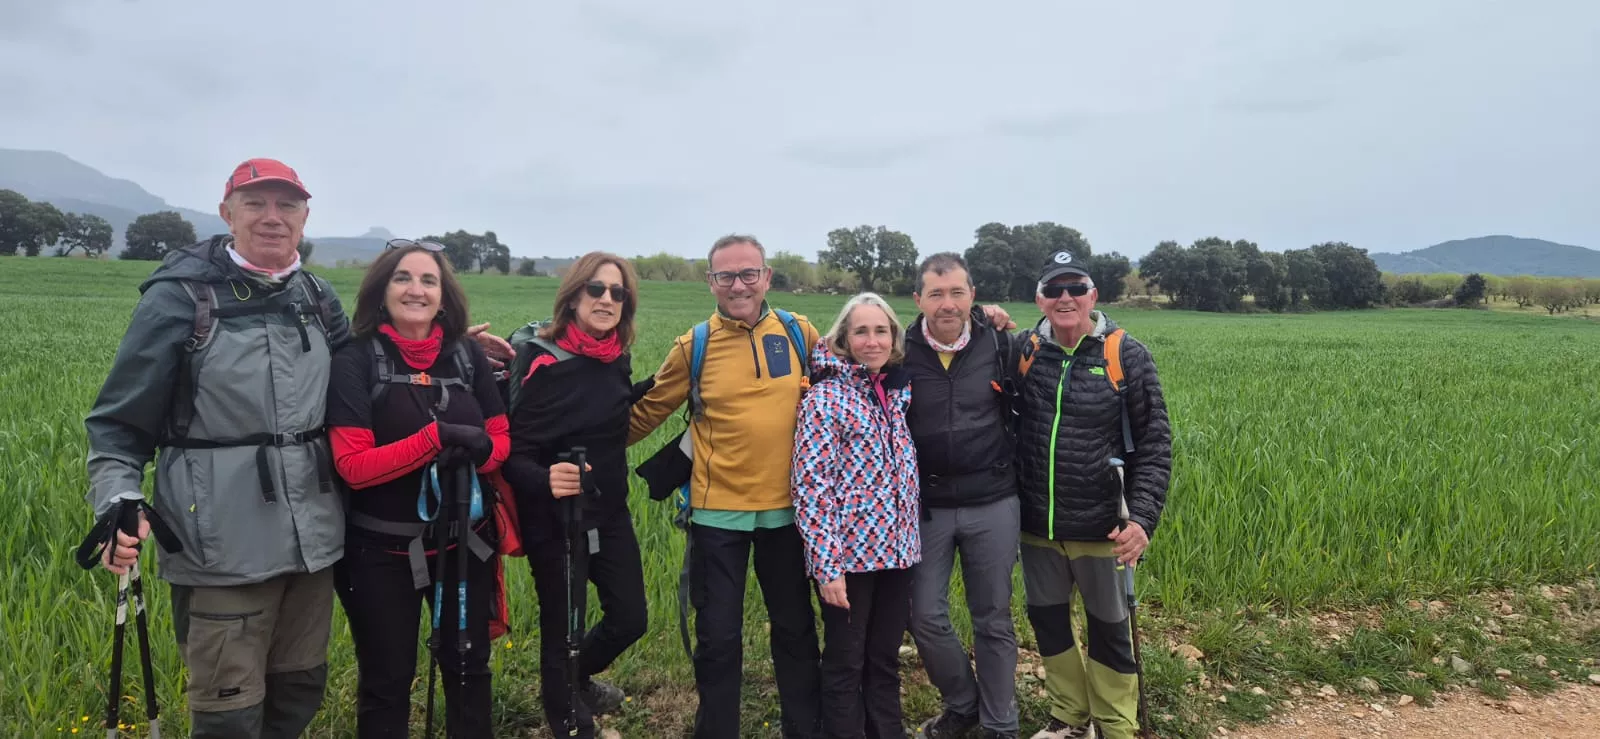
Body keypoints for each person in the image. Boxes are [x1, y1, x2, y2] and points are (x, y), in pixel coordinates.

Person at [84, 157, 513, 738]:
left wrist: (446, 345)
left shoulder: (313, 294)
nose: (271, 218)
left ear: (305, 216)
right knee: (228, 707)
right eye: (255, 203)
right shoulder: (180, 299)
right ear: (226, 212)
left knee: (298, 691)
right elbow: (117, 425)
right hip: (221, 541)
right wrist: (118, 501)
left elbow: (371, 359)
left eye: (286, 205)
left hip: (314, 542)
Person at [628, 234, 825, 739]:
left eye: (748, 274)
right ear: (709, 281)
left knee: (797, 630)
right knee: (717, 639)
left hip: (789, 514)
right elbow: (644, 414)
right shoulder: (693, 346)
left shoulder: (800, 332)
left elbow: (851, 377)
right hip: (717, 515)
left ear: (767, 278)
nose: (738, 285)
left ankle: (804, 728)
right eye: (726, 276)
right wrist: (571, 422)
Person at [324, 239, 511, 737]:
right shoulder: (354, 359)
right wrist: (434, 439)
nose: (416, 289)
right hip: (378, 550)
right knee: (387, 680)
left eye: (429, 280)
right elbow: (353, 465)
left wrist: (479, 451)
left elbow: (501, 439)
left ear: (444, 296)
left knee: (470, 670)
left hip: (463, 544)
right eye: (403, 278)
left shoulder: (467, 355)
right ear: (381, 290)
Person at [1011, 251, 1172, 739]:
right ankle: (1069, 719)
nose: (1066, 298)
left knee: (1109, 632)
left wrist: (1142, 518)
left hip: (1105, 525)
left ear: (1093, 296)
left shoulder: (1125, 354)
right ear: (1039, 299)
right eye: (1055, 290)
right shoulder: (1024, 351)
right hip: (1037, 524)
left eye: (1076, 288)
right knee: (1049, 625)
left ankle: (1117, 726)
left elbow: (1155, 443)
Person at [498, 251, 650, 739]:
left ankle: (575, 679)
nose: (607, 299)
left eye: (618, 293)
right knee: (562, 632)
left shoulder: (615, 359)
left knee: (630, 618)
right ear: (574, 294)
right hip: (554, 519)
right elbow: (512, 453)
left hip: (609, 512)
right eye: (597, 289)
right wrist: (545, 479)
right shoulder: (542, 361)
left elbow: (614, 413)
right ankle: (570, 722)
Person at [902, 253, 1023, 739]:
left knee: (992, 617)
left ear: (972, 295)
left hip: (993, 499)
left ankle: (1000, 723)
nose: (947, 303)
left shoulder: (1002, 343)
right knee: (922, 614)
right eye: (936, 293)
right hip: (926, 506)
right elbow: (842, 348)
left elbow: (1066, 338)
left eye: (956, 292)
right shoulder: (897, 350)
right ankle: (964, 703)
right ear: (918, 300)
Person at [790, 292, 921, 739]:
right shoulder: (825, 399)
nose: (872, 340)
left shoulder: (894, 393)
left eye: (880, 330)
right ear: (843, 338)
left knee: (883, 659)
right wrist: (827, 567)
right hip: (849, 560)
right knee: (846, 661)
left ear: (893, 338)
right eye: (861, 331)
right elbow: (811, 487)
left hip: (898, 555)